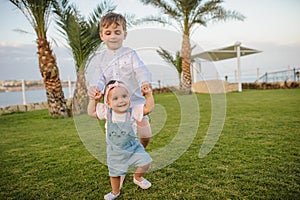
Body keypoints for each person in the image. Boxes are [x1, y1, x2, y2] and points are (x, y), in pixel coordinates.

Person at [89, 12, 152, 148]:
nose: (113, 36)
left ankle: (140, 150)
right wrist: (96, 88)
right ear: (102, 35)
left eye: (117, 32)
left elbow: (140, 69)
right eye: (108, 32)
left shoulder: (130, 54)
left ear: (124, 35)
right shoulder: (100, 58)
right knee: (118, 139)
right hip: (115, 107)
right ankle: (122, 157)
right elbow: (98, 77)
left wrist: (144, 82)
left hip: (134, 102)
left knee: (146, 135)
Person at [88, 80, 154, 200]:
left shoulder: (133, 111)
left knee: (146, 163)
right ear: (108, 102)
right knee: (114, 174)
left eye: (124, 96)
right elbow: (91, 112)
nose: (121, 100)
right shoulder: (107, 112)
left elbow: (148, 108)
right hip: (115, 151)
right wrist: (94, 100)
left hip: (133, 147)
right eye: (115, 98)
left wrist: (148, 94)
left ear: (129, 98)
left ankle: (138, 177)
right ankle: (115, 191)